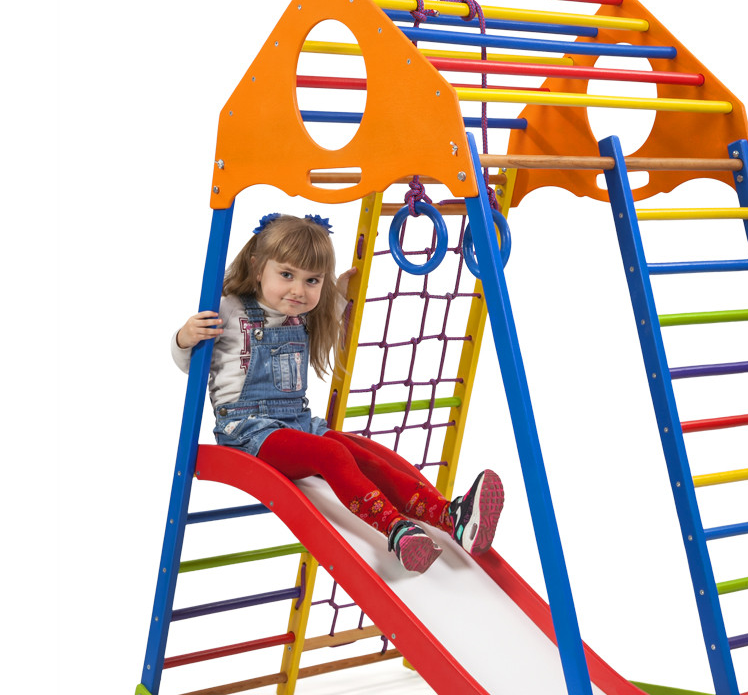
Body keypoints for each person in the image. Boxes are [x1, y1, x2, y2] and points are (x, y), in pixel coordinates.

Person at [172, 212, 503, 574]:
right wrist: (184, 338)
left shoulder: (302, 316)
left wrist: (341, 290)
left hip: (297, 424)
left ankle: (450, 517)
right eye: (287, 275)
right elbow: (191, 364)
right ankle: (397, 531)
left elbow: (328, 305)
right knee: (331, 453)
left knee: (364, 454)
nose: (299, 291)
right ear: (257, 267)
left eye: (312, 280)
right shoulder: (228, 308)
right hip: (248, 431)